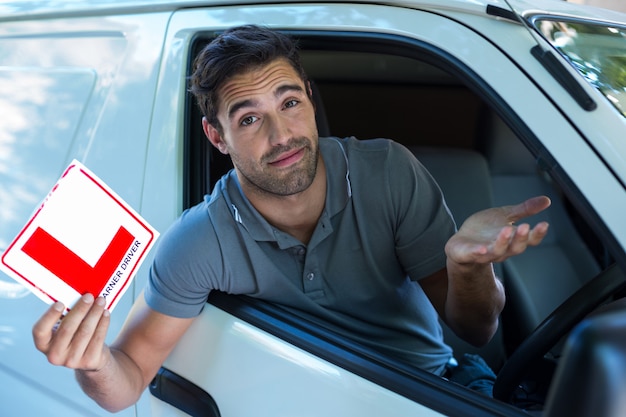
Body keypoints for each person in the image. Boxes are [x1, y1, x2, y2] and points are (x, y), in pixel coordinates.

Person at [32, 25, 551, 412]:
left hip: (429, 390)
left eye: (290, 102)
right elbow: (126, 383)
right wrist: (92, 362)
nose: (281, 136)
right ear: (218, 137)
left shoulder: (388, 172)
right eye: (250, 118)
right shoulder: (198, 241)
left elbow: (476, 329)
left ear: (308, 98)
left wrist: (467, 268)